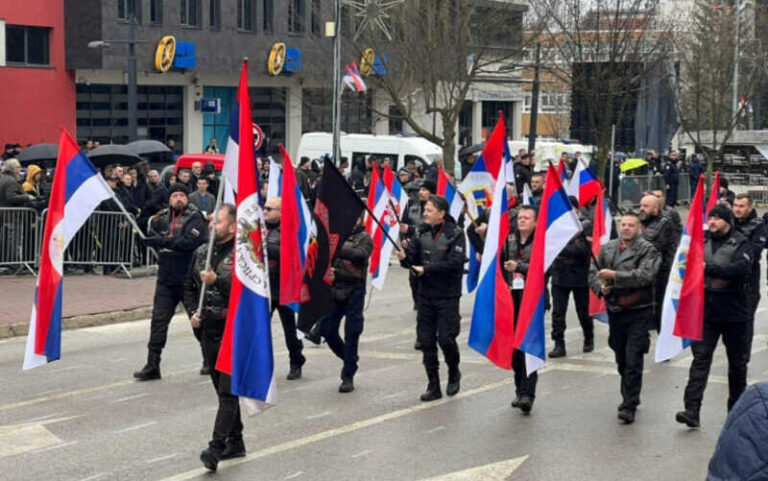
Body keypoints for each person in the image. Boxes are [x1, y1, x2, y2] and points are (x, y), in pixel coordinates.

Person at [676, 204, 752, 428]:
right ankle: (691, 410)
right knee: (700, 360)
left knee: (737, 365)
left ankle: (735, 411)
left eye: (718, 219)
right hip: (706, 312)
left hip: (734, 314)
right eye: (711, 217)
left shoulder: (741, 243)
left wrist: (706, 268)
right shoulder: (701, 241)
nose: (713, 222)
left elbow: (739, 271)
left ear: (727, 222)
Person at [181, 204, 243, 472]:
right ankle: (237, 441)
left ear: (232, 226)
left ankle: (215, 448)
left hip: (233, 329)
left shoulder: (244, 255)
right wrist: (193, 311)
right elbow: (189, 286)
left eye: (218, 222)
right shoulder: (202, 252)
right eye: (211, 221)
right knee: (221, 390)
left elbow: (246, 295)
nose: (211, 225)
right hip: (208, 329)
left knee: (228, 392)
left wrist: (218, 280)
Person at [133, 184, 209, 381]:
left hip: (188, 277)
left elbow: (188, 243)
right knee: (158, 321)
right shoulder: (162, 217)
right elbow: (151, 230)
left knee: (197, 319)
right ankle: (152, 364)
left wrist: (162, 241)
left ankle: (209, 359)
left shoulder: (195, 217)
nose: (178, 199)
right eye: (174, 195)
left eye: (182, 195)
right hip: (166, 277)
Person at [590, 212, 660, 424]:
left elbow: (645, 276)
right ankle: (630, 393)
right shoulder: (609, 248)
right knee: (620, 356)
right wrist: (600, 287)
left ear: (639, 228)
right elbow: (593, 271)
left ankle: (629, 403)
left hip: (639, 310)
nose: (626, 228)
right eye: (624, 225)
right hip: (616, 311)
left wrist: (615, 277)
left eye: (631, 225)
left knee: (633, 358)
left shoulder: (648, 250)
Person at [397, 195, 465, 402]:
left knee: (446, 339)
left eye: (429, 210)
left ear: (441, 213)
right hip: (425, 295)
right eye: (425, 210)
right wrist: (405, 258)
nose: (425, 214)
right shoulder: (420, 232)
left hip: (447, 295)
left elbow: (456, 263)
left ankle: (454, 371)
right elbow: (412, 261)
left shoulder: (455, 234)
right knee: (426, 342)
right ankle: (433, 385)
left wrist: (426, 269)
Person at [316, 215, 373, 393]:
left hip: (354, 289)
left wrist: (336, 248)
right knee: (326, 329)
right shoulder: (334, 236)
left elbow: (360, 255)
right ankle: (350, 359)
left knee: (352, 332)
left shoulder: (364, 238)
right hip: (334, 288)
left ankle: (347, 375)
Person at [264, 197, 306, 380]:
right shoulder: (259, 228)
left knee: (290, 330)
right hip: (263, 287)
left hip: (283, 288)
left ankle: (296, 361)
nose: (265, 211)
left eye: (270, 209)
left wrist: (264, 247)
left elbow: (287, 254)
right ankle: (261, 365)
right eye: (264, 208)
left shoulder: (287, 231)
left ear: (281, 212)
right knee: (260, 329)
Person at [502, 206, 539, 413]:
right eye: (520, 217)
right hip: (511, 298)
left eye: (527, 218)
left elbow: (543, 269)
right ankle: (519, 389)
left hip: (532, 300)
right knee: (515, 350)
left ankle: (528, 393)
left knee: (528, 347)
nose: (522, 221)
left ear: (535, 222)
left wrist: (519, 267)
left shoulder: (541, 242)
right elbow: (498, 264)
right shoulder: (509, 240)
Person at [549, 199, 594, 358]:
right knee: (558, 312)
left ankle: (588, 335)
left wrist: (558, 247)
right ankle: (558, 343)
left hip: (579, 274)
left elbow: (582, 249)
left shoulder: (585, 225)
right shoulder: (555, 226)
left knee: (583, 310)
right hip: (560, 274)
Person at [732, 193, 766, 359]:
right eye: (735, 206)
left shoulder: (758, 226)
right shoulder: (728, 222)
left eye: (741, 206)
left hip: (748, 283)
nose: (737, 209)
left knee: (745, 323)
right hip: (727, 283)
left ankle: (743, 357)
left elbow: (754, 251)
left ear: (750, 207)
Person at [639, 194, 677, 332]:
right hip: (646, 269)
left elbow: (655, 246)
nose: (641, 209)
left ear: (655, 208)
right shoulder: (641, 222)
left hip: (662, 269)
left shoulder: (665, 223)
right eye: (641, 205)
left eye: (646, 206)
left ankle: (662, 327)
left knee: (660, 300)